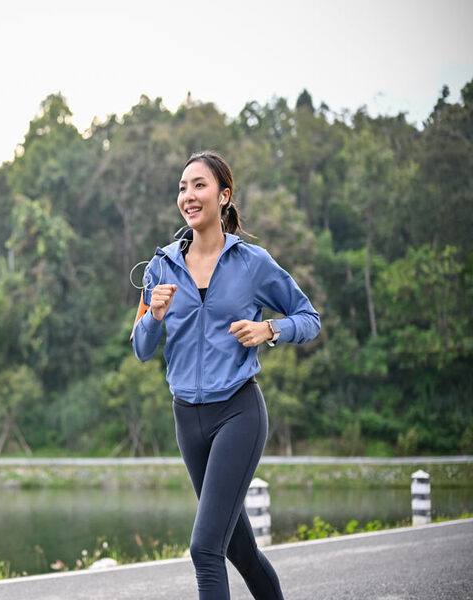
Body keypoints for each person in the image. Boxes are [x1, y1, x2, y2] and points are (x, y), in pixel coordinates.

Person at [131, 151, 320, 599]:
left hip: (238, 411)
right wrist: (153, 315)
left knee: (204, 548)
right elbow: (140, 348)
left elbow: (308, 317)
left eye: (199, 185)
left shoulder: (251, 263)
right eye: (182, 187)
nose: (188, 196)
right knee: (240, 550)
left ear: (224, 195)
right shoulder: (160, 266)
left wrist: (270, 328)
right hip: (187, 420)